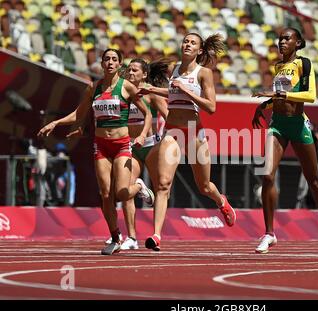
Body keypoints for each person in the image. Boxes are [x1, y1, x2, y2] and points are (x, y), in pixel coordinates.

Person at [37, 48, 154, 255]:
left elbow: (147, 114)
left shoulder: (126, 87)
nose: (110, 62)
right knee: (105, 194)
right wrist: (55, 123)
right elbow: (78, 114)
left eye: (114, 59)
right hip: (101, 146)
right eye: (106, 59)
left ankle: (138, 186)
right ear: (102, 64)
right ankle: (116, 237)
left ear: (120, 64)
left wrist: (143, 135)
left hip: (121, 145)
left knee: (121, 192)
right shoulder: (93, 88)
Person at [138, 33, 237, 251]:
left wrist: (188, 93)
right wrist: (153, 89)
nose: (187, 44)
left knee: (204, 186)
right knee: (163, 184)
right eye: (185, 41)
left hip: (194, 133)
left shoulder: (204, 73)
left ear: (200, 51)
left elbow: (211, 107)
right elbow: (173, 92)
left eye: (192, 42)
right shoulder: (174, 68)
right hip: (173, 131)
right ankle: (156, 235)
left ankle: (222, 201)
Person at [252, 28, 318, 255]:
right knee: (267, 175)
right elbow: (280, 98)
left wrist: (280, 96)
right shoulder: (278, 67)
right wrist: (264, 106)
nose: (281, 42)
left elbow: (310, 95)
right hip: (277, 124)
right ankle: (269, 233)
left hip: (298, 125)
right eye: (280, 39)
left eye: (287, 38)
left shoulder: (304, 63)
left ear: (298, 43)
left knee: (314, 181)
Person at [104, 58, 169, 250]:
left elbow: (168, 116)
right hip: (130, 147)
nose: (130, 73)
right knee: (125, 191)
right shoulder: (122, 90)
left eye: (134, 71)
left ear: (144, 74)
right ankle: (132, 238)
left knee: (161, 188)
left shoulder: (149, 93)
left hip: (151, 146)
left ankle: (156, 235)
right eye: (129, 70)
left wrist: (167, 139)